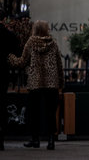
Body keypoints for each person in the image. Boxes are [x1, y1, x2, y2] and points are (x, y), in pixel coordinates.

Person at [8, 20, 64, 150]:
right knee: (51, 113)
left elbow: (22, 62)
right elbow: (59, 64)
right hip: (52, 83)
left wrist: (10, 57)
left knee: (34, 112)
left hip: (35, 83)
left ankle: (35, 140)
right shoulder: (53, 43)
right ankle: (51, 141)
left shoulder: (31, 43)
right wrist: (60, 82)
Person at [0, 22, 20, 151]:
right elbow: (16, 53)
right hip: (2, 73)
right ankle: (1, 138)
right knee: (2, 104)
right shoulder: (9, 35)